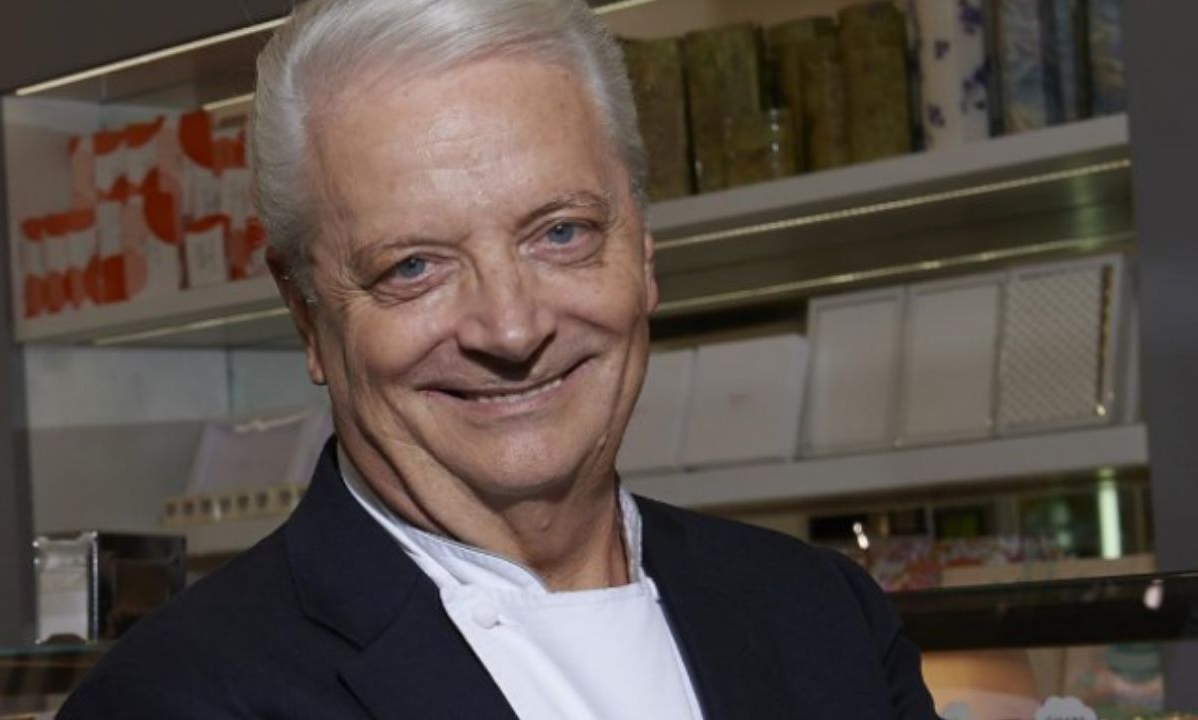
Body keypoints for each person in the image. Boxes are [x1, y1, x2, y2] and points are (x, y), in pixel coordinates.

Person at [59, 0, 939, 717]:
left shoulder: (820, 613)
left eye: (559, 233)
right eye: (414, 266)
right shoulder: (176, 700)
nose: (510, 330)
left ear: (643, 251)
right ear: (306, 316)